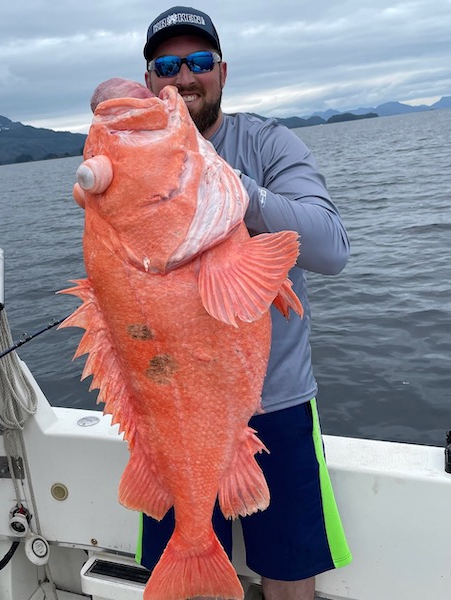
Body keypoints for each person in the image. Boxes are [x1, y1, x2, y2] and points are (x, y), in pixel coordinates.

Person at [137, 6, 352, 599]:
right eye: (167, 65)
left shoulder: (267, 142)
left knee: (288, 579)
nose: (184, 77)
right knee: (183, 571)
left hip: (275, 405)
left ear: (223, 72)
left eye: (199, 62)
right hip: (173, 409)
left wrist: (233, 192)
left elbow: (332, 248)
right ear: (150, 79)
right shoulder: (134, 155)